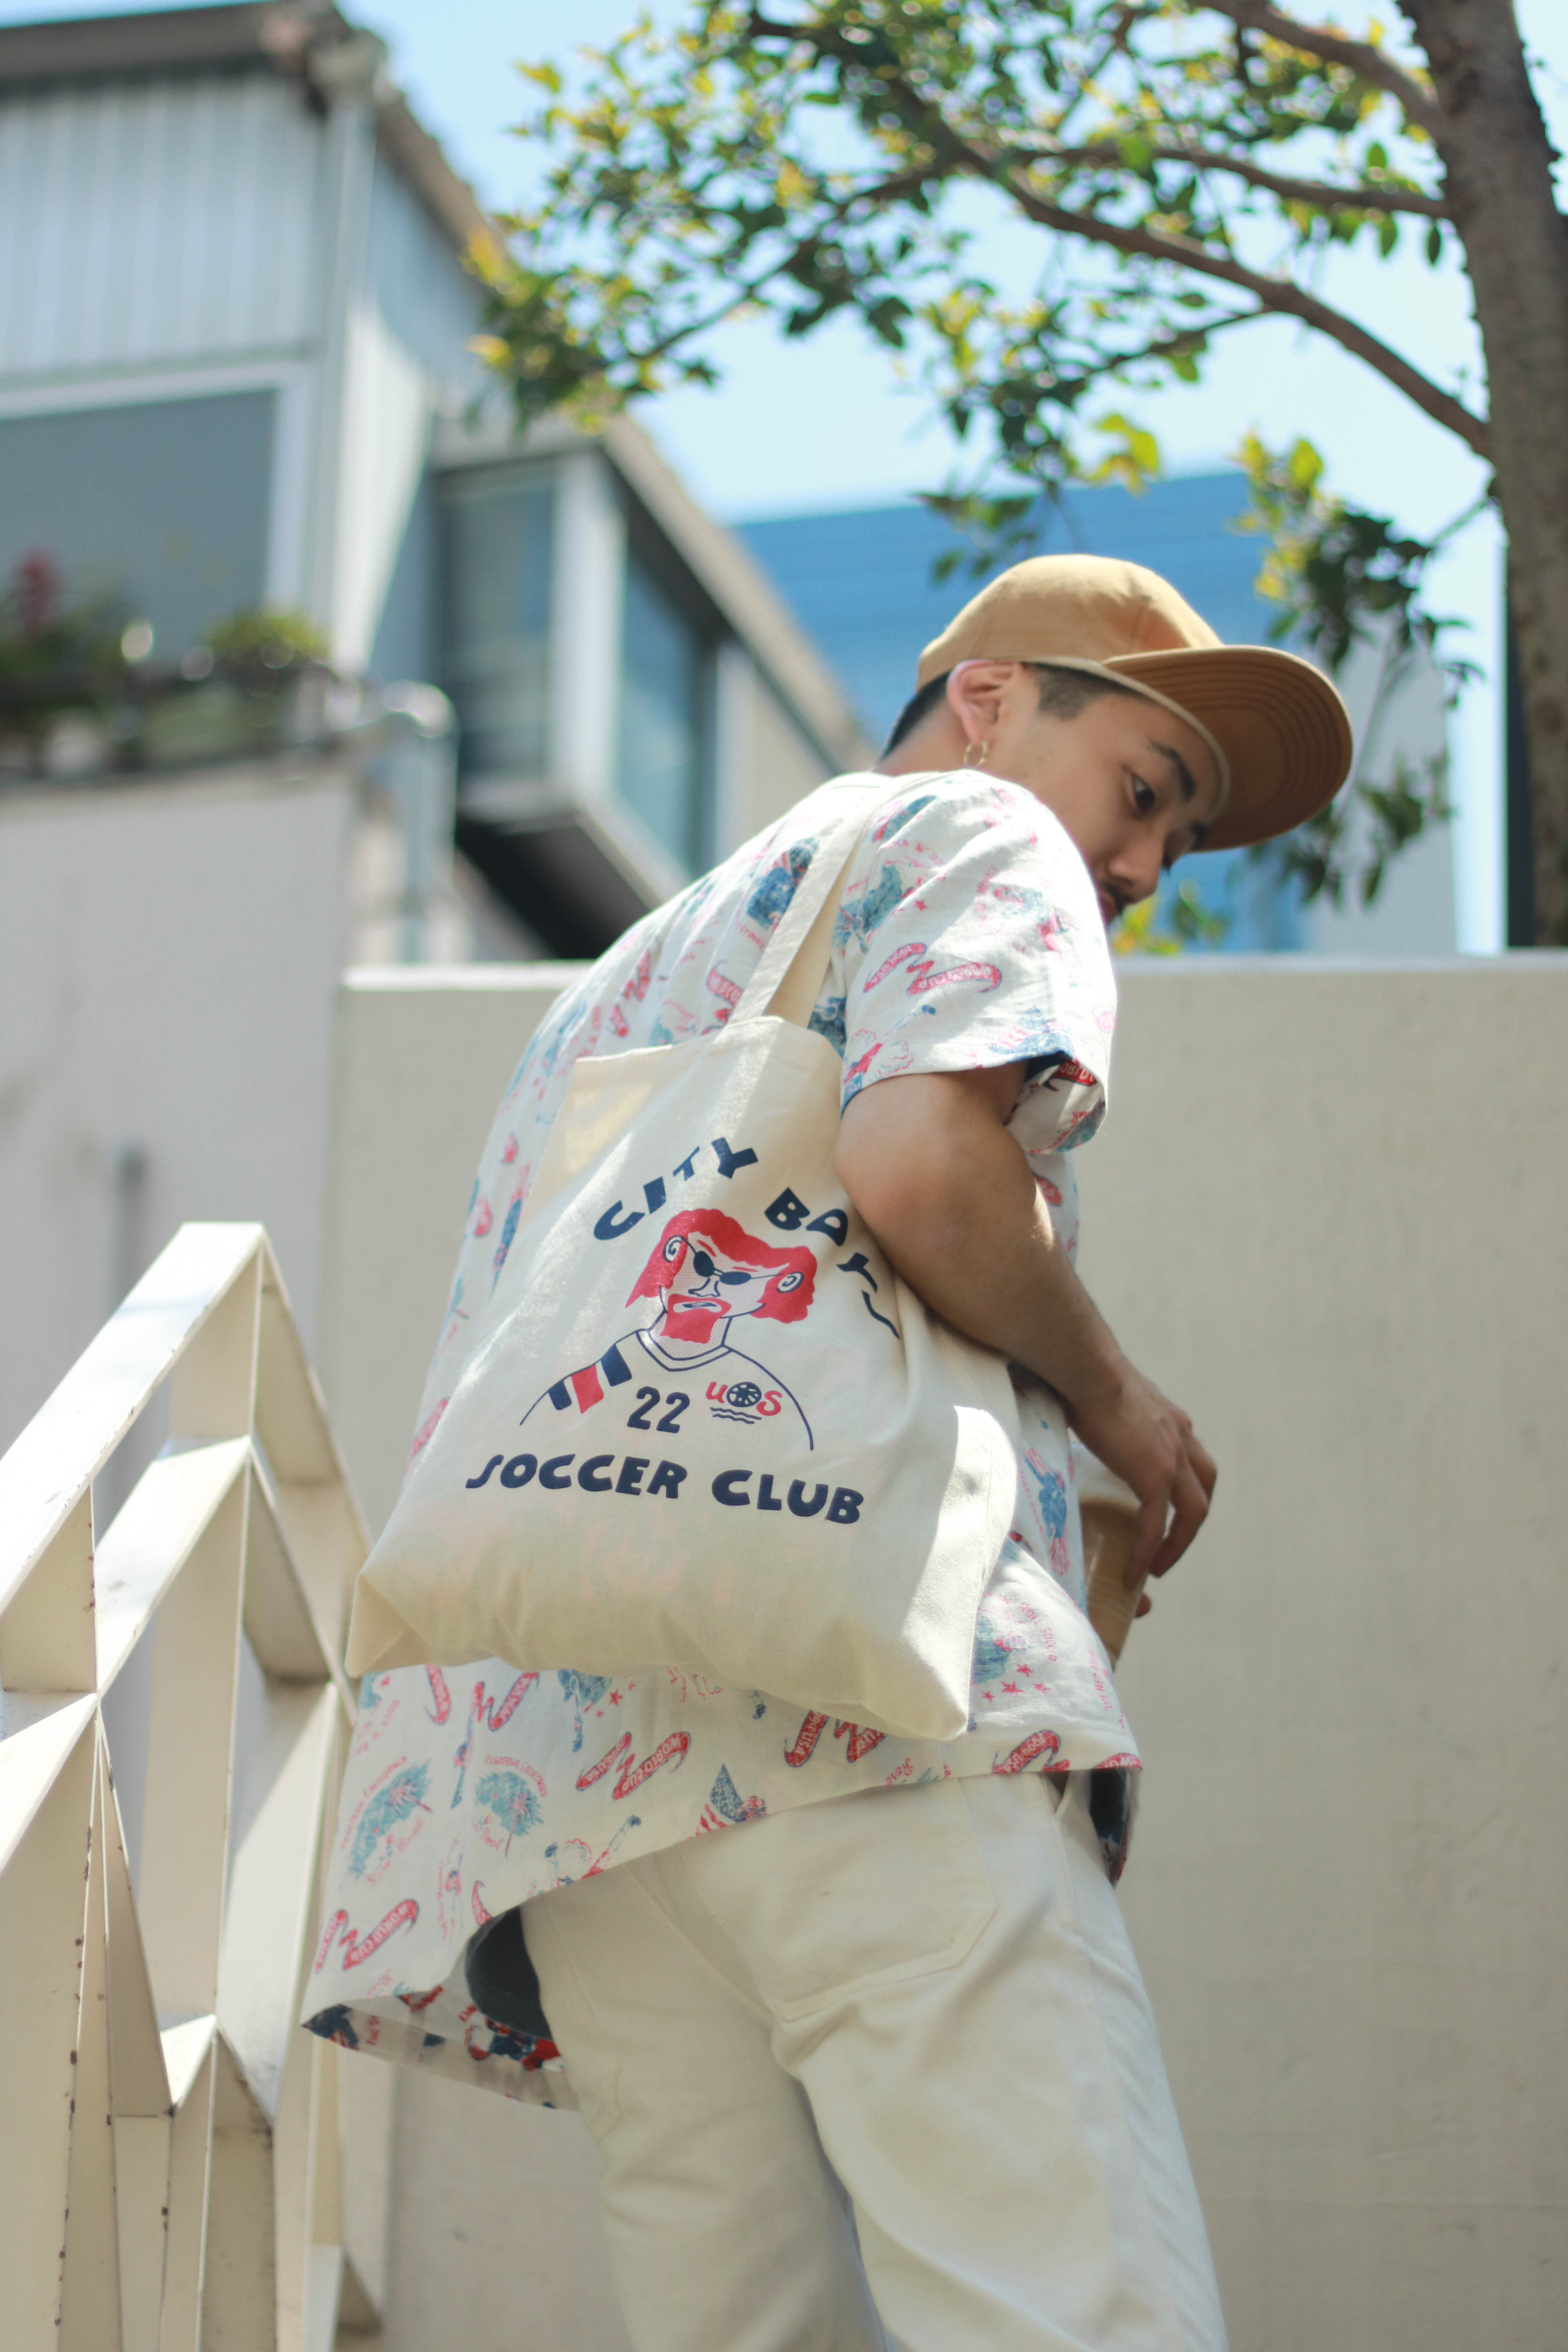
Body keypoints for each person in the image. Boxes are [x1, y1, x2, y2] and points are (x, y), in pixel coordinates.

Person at [307, 554, 1350, 2352]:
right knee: (1065, 2307)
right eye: (1145, 788)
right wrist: (1116, 1400)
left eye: (1175, 838)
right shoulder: (985, 832)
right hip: (864, 1718)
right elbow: (919, 1166)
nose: (1139, 866)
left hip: (585, 1812)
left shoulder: (622, 981)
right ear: (991, 699)